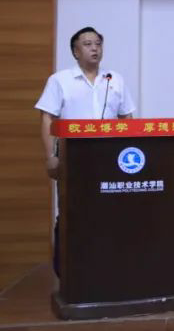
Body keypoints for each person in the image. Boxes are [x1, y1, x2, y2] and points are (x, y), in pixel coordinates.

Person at [35, 26, 136, 274]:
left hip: (110, 159)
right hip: (73, 158)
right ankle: (69, 272)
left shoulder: (114, 79)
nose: (95, 48)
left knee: (109, 213)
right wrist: (50, 157)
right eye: (88, 44)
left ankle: (108, 269)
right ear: (75, 51)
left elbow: (127, 118)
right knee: (72, 214)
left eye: (98, 43)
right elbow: (47, 118)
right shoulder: (60, 80)